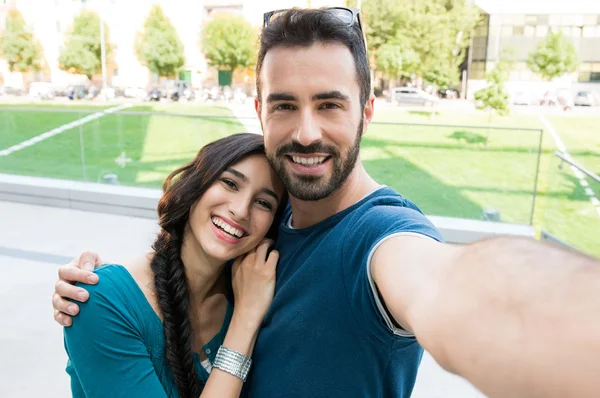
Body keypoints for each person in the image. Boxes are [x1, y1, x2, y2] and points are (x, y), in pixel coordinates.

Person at [52, 7, 600, 398]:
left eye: (330, 104)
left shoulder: (384, 238)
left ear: (366, 111)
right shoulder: (269, 227)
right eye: (285, 105)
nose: (307, 132)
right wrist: (97, 282)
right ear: (260, 111)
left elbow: (451, 286)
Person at [62, 133, 287, 397]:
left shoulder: (252, 288)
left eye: (264, 202)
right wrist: (246, 319)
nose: (240, 210)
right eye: (229, 183)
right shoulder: (101, 301)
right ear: (195, 186)